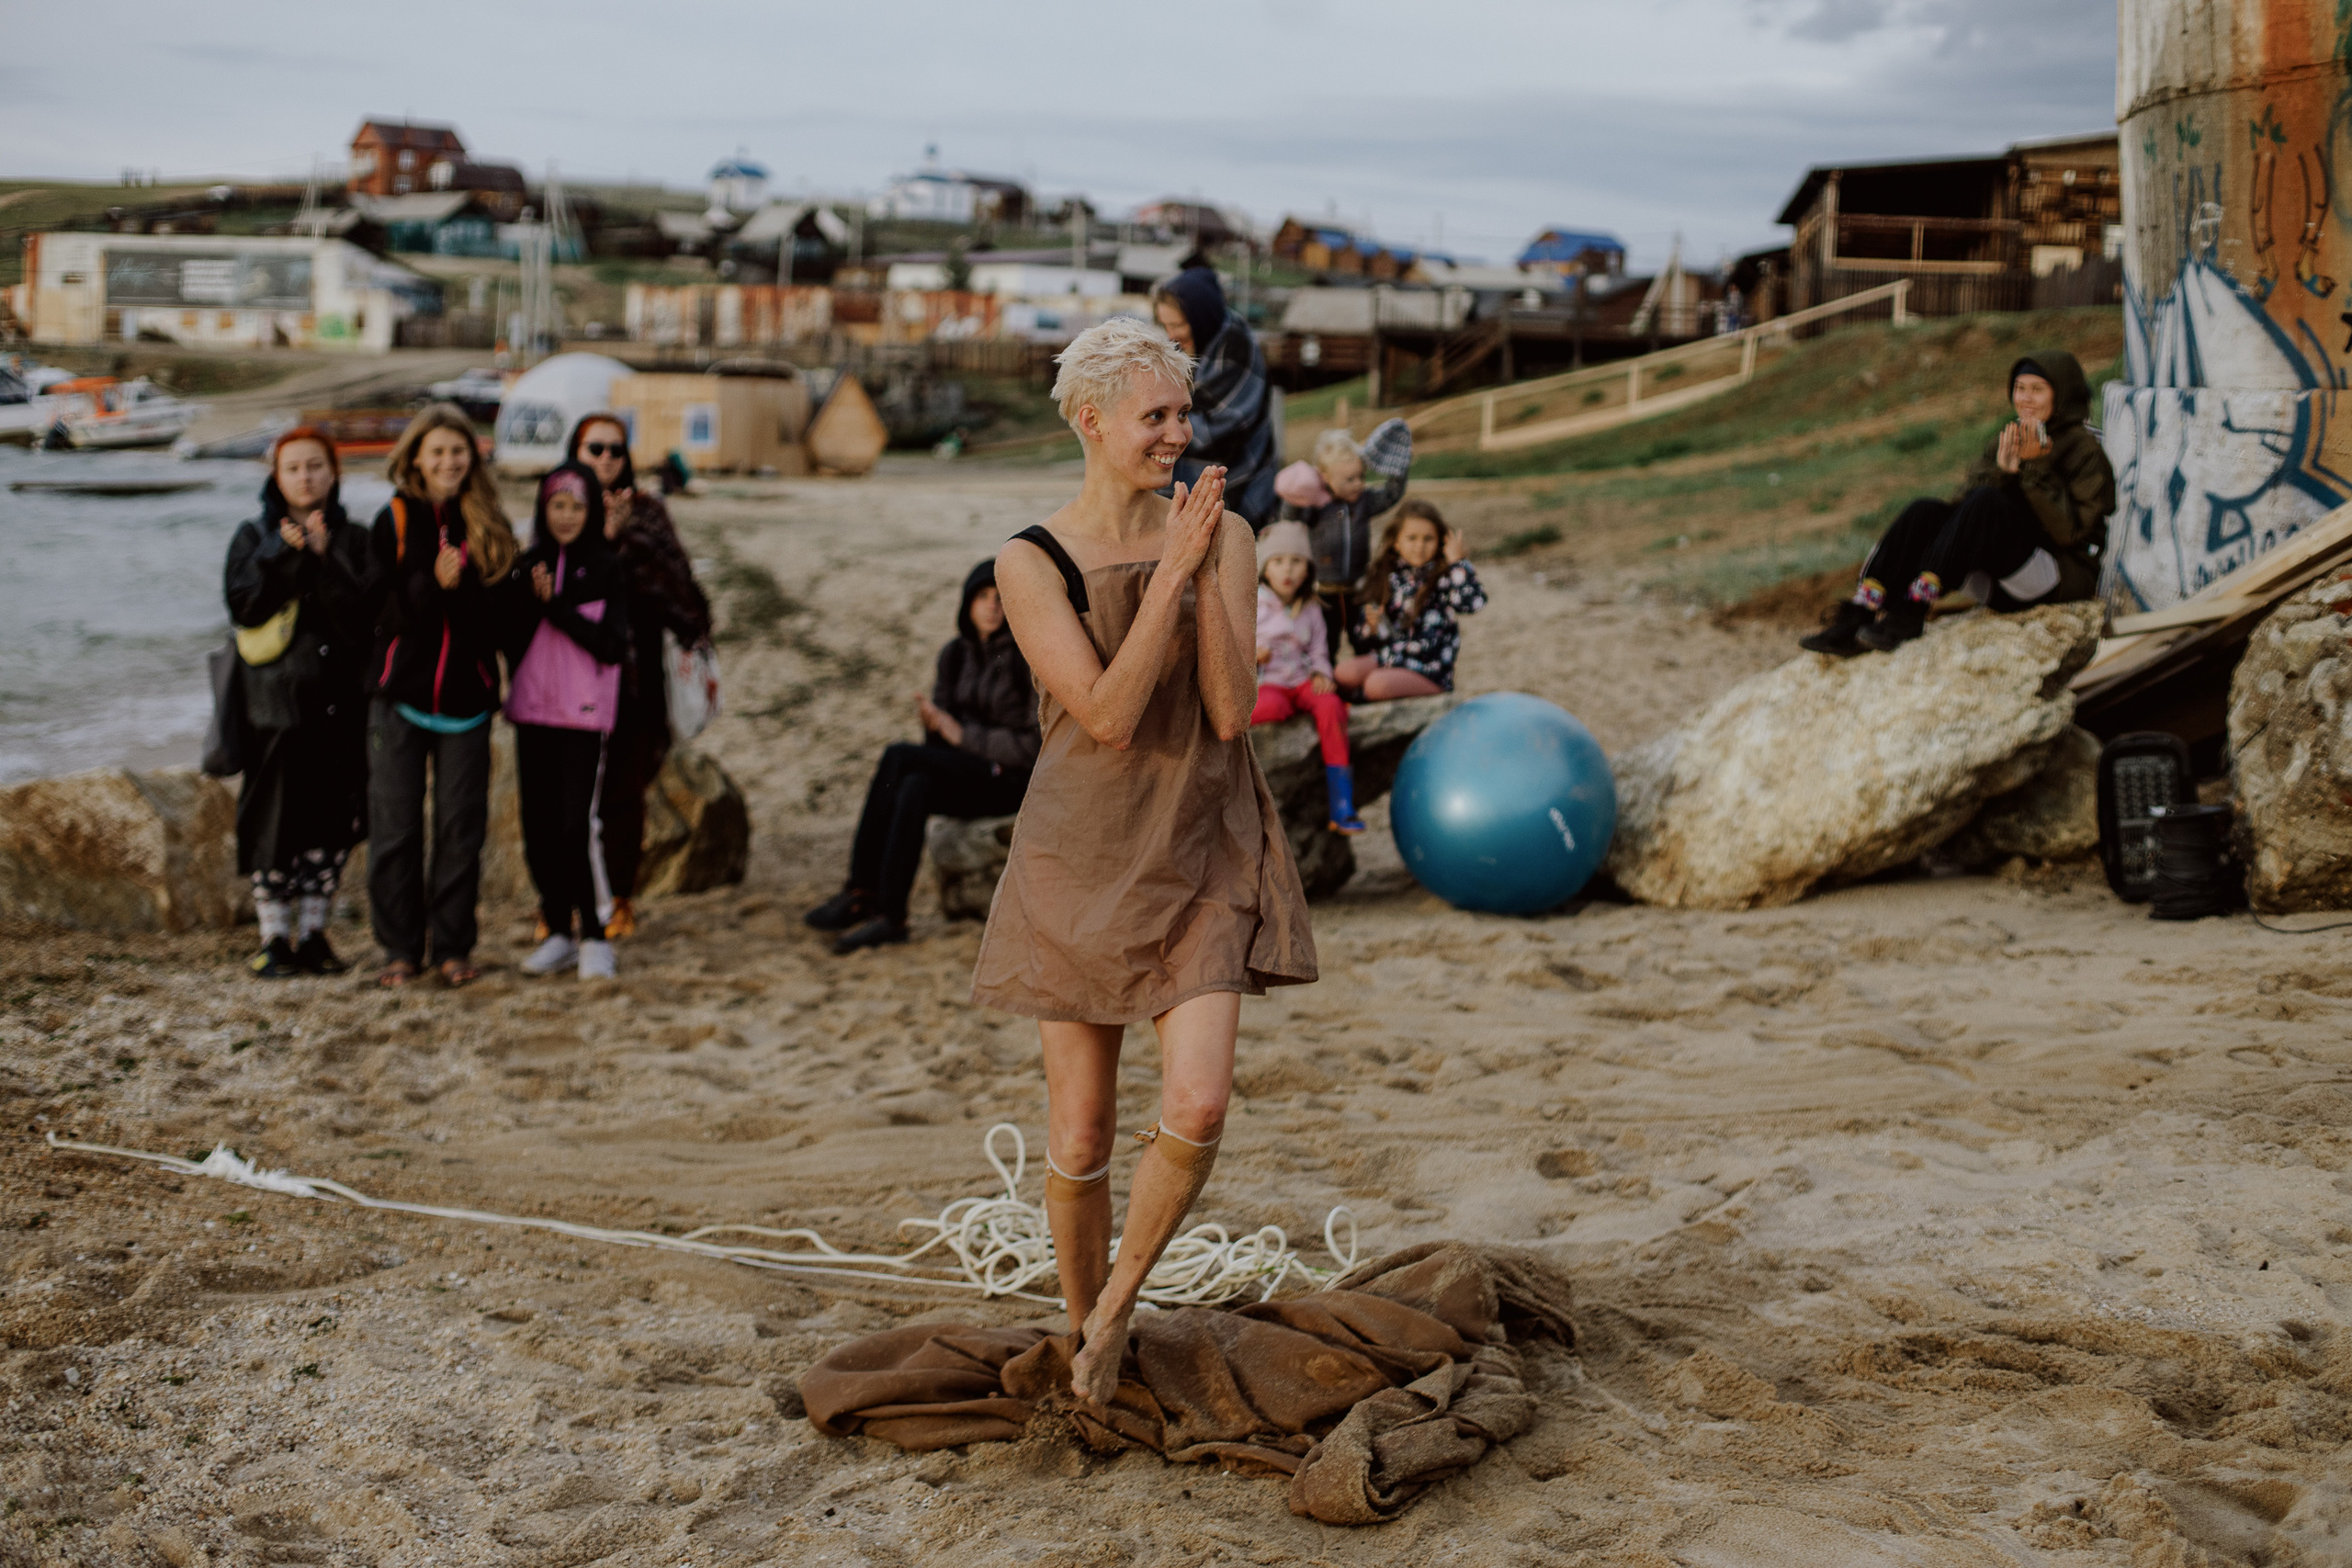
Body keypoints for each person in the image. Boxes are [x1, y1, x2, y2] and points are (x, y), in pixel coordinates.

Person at [974, 316, 1315, 1408]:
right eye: (1154, 416)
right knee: (1079, 1133)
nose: (1179, 433)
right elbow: (1111, 714)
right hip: (1077, 852)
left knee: (1202, 1103)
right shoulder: (1029, 562)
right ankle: (1080, 1336)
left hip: (1202, 841)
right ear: (1091, 422)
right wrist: (1169, 573)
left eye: (1183, 413)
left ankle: (1117, 1306)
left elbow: (1225, 709)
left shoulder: (1227, 531)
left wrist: (1204, 555)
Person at [1802, 350, 2116, 655]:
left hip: (2053, 579)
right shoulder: (2008, 437)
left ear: (2061, 394)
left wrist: (2033, 470)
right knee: (1924, 511)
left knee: (1987, 502)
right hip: (1999, 580)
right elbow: (1965, 507)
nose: (2026, 399)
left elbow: (2071, 534)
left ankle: (1914, 608)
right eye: (2019, 389)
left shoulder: (2086, 450)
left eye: (2037, 390)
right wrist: (2003, 473)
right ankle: (1861, 610)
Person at [802, 559, 1041, 953]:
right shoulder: (954, 655)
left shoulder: (1025, 656)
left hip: (1010, 780)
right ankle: (891, 916)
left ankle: (860, 889)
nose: (992, 607)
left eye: (1000, 598)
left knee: (898, 756)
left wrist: (963, 735)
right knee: (914, 785)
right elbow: (940, 749)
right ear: (967, 604)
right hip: (969, 774)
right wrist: (934, 728)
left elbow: (1034, 745)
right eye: (982, 597)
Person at [366, 403, 521, 989]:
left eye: (459, 451)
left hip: (469, 701)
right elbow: (378, 614)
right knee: (397, 827)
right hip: (397, 698)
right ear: (416, 459)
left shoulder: (491, 522)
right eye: (437, 452)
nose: (449, 461)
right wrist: (431, 584)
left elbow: (502, 623)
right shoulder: (395, 521)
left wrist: (482, 586)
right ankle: (400, 950)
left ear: (472, 457)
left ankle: (453, 947)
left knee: (461, 827)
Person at [222, 427, 373, 978]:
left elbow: (364, 618)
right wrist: (281, 554)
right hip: (272, 707)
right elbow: (244, 608)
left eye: (316, 466)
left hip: (340, 704)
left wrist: (327, 558)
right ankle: (273, 939)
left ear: (334, 473)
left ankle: (314, 933)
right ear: (276, 476)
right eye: (293, 468)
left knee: (333, 821)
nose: (305, 477)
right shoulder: (251, 535)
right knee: (273, 821)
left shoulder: (354, 538)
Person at [563, 412, 713, 940]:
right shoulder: (559, 511)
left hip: (635, 678)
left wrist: (628, 541)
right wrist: (604, 539)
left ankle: (621, 898)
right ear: (575, 454)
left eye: (615, 450)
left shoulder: (649, 513)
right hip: (570, 679)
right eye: (593, 449)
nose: (605, 459)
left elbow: (684, 595)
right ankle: (560, 903)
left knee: (624, 796)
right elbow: (553, 589)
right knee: (568, 796)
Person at [508, 467, 631, 981]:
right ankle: (557, 929)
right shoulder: (528, 562)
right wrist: (521, 596)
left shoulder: (606, 567)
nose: (566, 516)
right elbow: (508, 634)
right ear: (543, 509)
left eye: (576, 507)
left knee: (571, 825)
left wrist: (554, 606)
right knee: (536, 827)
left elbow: (610, 645)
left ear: (592, 512)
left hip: (582, 715)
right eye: (557, 506)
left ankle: (594, 937)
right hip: (532, 709)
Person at [1250, 520, 1365, 834]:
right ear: (1265, 568)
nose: (1287, 570)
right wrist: (1252, 654)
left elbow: (1319, 650)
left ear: (1308, 570)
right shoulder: (1252, 602)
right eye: (1278, 561)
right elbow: (1232, 645)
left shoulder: (1312, 608)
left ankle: (1341, 805)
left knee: (1331, 707)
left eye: (1296, 561)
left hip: (1303, 682)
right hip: (1268, 682)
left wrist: (1321, 674)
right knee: (1269, 708)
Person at [1273, 420, 1415, 660]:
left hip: (1358, 588)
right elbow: (1289, 516)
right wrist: (1301, 487)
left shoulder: (1364, 502)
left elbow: (1392, 495)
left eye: (1361, 476)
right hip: (1323, 592)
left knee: (1363, 639)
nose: (1358, 484)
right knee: (1326, 644)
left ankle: (1361, 679)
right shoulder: (1317, 506)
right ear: (1326, 478)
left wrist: (1399, 467)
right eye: (1349, 479)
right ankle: (1329, 684)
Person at [1150, 267, 1280, 528]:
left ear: (1201, 319)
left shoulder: (1234, 348)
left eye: (1177, 324)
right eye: (1166, 325)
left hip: (1238, 477)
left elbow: (1213, 430)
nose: (1171, 335)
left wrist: (1154, 422)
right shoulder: (1204, 342)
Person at [1337, 498, 1487, 700]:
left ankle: (1362, 698)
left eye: (1428, 539)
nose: (1419, 546)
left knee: (1376, 684)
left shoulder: (1444, 576)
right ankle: (1355, 700)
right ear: (1396, 542)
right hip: (1392, 657)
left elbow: (1472, 603)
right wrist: (1372, 628)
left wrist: (1457, 563)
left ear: (1441, 541)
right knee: (1343, 673)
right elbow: (1370, 638)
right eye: (1412, 538)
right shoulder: (1387, 576)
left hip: (1428, 668)